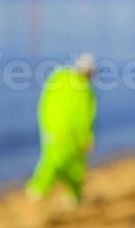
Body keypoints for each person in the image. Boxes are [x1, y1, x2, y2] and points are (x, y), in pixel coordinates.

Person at [27, 53, 99, 206]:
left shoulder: (59, 77)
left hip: (51, 130)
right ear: (91, 72)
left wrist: (46, 126)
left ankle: (38, 191)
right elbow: (84, 118)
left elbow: (45, 102)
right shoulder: (85, 91)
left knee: (52, 162)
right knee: (73, 167)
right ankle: (68, 196)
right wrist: (87, 138)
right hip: (71, 138)